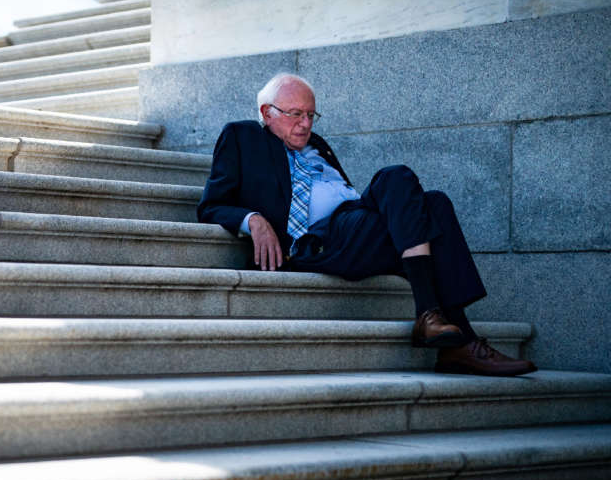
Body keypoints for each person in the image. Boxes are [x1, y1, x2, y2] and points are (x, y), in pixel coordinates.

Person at [197, 73, 535, 377]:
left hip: (354, 222)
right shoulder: (242, 136)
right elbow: (211, 205)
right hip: (318, 241)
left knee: (436, 203)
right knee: (398, 178)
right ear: (268, 113)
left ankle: (454, 341)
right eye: (295, 114)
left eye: (310, 115)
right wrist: (253, 219)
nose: (305, 124)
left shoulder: (318, 146)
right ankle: (440, 322)